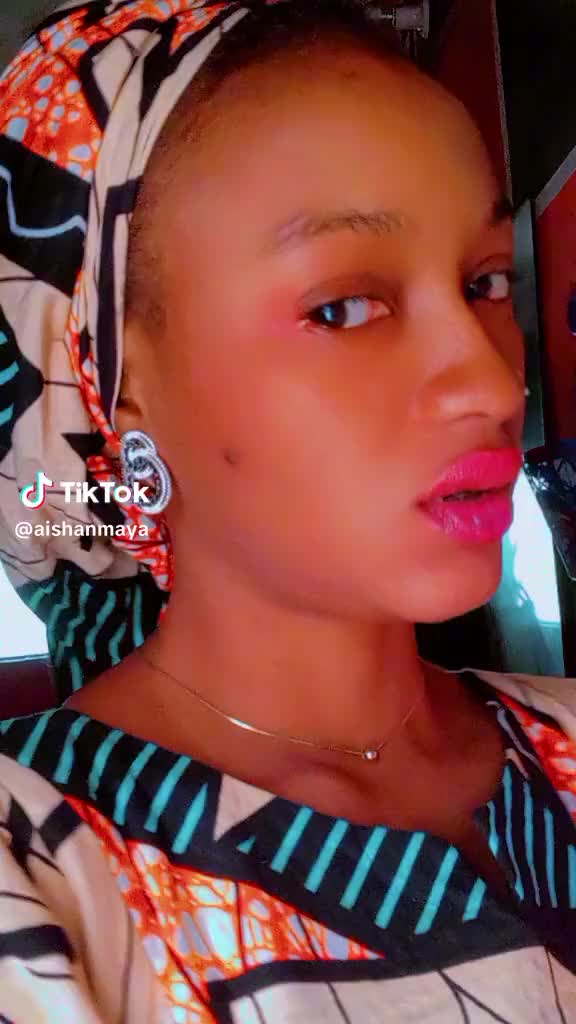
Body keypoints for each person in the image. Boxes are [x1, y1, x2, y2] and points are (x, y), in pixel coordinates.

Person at [0, 1, 575, 1020]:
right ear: (114, 388)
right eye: (343, 308)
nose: (491, 385)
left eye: (487, 280)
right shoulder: (34, 873)